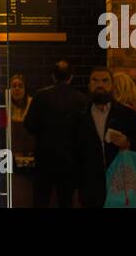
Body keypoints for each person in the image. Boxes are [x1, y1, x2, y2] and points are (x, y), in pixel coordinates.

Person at [75, 67, 136, 208]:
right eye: (95, 81)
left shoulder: (127, 114)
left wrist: (127, 142)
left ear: (112, 85)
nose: (100, 85)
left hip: (120, 183)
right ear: (89, 85)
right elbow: (73, 151)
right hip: (90, 185)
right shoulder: (79, 116)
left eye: (105, 81)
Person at [22, 60, 87, 208]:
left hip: (44, 159)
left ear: (53, 76)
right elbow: (84, 133)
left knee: (41, 199)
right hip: (70, 161)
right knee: (65, 201)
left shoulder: (40, 96)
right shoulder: (81, 100)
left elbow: (29, 125)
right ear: (71, 77)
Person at [5, 73, 36, 208]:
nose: (17, 89)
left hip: (29, 159)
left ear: (25, 89)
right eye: (14, 86)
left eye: (20, 86)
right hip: (9, 158)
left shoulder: (32, 106)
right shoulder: (5, 107)